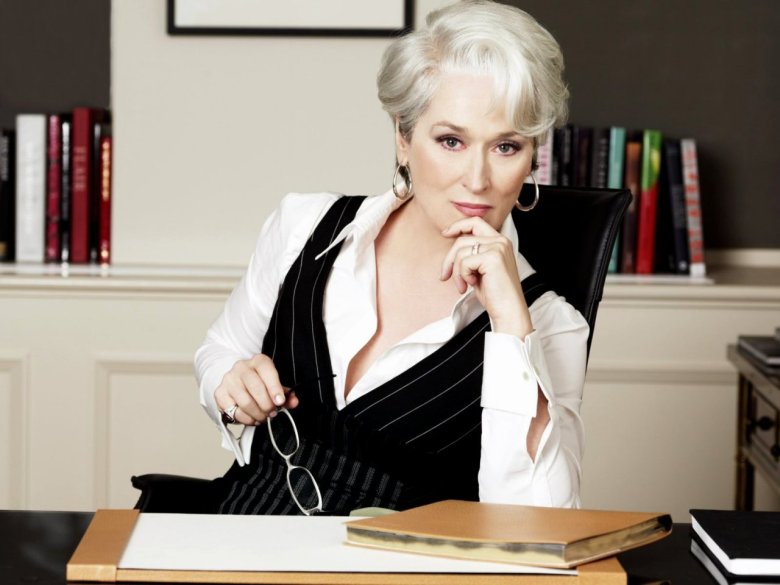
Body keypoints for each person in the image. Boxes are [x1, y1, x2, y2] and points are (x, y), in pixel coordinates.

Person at [195, 0, 588, 516]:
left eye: (506, 147)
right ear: (403, 137)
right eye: (451, 140)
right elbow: (220, 351)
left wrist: (511, 327)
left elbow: (540, 522)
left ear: (532, 156)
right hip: (237, 535)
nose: (477, 179)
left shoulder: (549, 324)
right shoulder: (303, 226)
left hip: (402, 558)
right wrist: (230, 387)